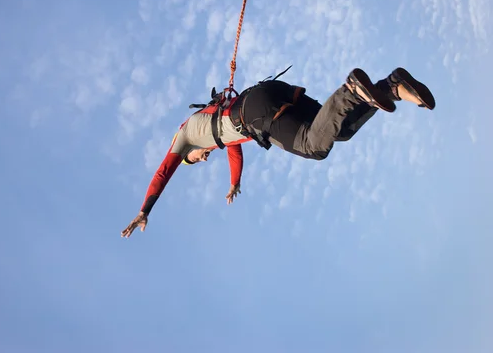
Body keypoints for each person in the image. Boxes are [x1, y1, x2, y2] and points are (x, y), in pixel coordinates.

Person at [120, 67, 436, 238]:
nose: (203, 158)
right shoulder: (217, 132)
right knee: (340, 131)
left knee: (314, 147)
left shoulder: (185, 137)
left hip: (255, 111)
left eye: (197, 158)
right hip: (267, 93)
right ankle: (392, 85)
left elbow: (163, 172)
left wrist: (145, 209)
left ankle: (350, 89)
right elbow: (234, 153)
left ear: (189, 152)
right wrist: (234, 183)